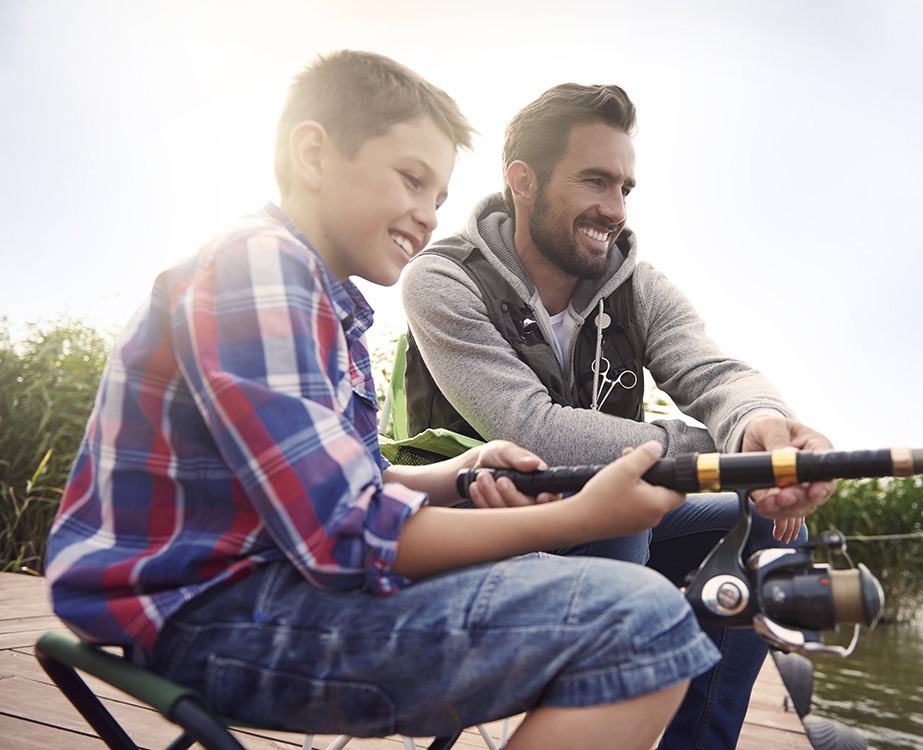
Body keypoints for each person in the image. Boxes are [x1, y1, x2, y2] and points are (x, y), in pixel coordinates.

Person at [44, 52, 722, 750]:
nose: (428, 216)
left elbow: (346, 487)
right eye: (410, 179)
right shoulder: (260, 269)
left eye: (438, 196)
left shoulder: (318, 298)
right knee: (642, 624)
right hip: (214, 619)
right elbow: (345, 536)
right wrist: (579, 517)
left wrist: (459, 473)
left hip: (258, 596)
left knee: (634, 612)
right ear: (313, 153)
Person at [401, 82, 835, 749]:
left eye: (625, 188)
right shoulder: (440, 279)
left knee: (770, 533)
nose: (614, 209)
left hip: (597, 512)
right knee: (622, 511)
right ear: (523, 181)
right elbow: (531, 428)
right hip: (469, 519)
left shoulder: (640, 285)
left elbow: (712, 372)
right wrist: (701, 450)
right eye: (595, 182)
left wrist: (760, 426)